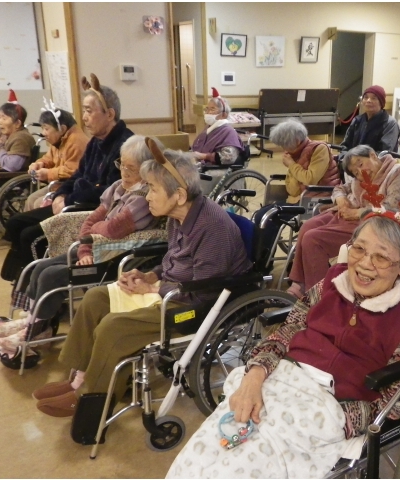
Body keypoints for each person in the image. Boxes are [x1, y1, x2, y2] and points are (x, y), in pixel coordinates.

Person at [166, 210, 400, 479]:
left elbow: (395, 402)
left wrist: (336, 419)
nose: (365, 264)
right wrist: (254, 376)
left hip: (328, 406)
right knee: (202, 454)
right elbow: (289, 330)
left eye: (381, 257)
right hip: (279, 379)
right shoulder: (333, 282)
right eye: (359, 249)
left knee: (243, 469)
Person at [32, 145, 253, 418]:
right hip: (174, 290)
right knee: (95, 298)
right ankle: (76, 378)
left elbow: (205, 291)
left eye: (153, 189)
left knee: (114, 327)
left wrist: (153, 288)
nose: (147, 196)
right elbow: (174, 260)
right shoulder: (177, 216)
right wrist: (151, 275)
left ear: (179, 195)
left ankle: (90, 399)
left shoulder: (212, 227)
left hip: (196, 307)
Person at [0, 135, 159, 364]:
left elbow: (112, 230)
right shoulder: (118, 187)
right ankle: (34, 323)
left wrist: (94, 233)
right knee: (41, 267)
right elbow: (91, 223)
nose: (123, 172)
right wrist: (85, 248)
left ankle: (35, 330)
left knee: (52, 275)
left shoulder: (142, 198)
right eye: (121, 165)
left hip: (112, 259)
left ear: (147, 169)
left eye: (131, 168)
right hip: (94, 251)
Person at [0, 74, 133, 283]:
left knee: (30, 236)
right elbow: (77, 175)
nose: (84, 117)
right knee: (16, 222)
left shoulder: (126, 145)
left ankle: (38, 288)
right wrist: (61, 194)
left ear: (109, 114)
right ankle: (22, 283)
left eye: (89, 111)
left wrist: (68, 199)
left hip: (93, 211)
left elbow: (112, 191)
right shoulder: (95, 142)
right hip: (74, 203)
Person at [287, 144, 400, 298]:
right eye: (356, 172)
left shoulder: (396, 173)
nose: (360, 173)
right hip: (345, 214)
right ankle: (300, 283)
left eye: (360, 164)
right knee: (307, 226)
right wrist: (340, 200)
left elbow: (391, 207)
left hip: (371, 223)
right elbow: (340, 188)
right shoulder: (358, 179)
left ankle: (319, 295)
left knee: (313, 239)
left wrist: (357, 213)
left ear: (372, 155)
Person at [253, 117, 340, 231]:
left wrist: (291, 164)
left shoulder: (319, 149)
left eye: (285, 145)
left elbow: (310, 179)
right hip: (296, 198)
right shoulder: (296, 152)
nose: (284, 149)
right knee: (260, 214)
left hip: (315, 199)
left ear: (297, 141)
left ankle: (266, 243)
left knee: (268, 218)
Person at [23, 103, 89, 211]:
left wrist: (48, 173)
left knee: (38, 203)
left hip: (71, 187)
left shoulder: (76, 141)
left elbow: (73, 170)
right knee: (31, 199)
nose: (43, 133)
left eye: (46, 129)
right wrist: (39, 164)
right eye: (42, 128)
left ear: (62, 129)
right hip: (58, 185)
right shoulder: (58, 140)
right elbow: (48, 158)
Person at [191, 88, 245, 166]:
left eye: (212, 109)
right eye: (207, 109)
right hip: (201, 164)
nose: (208, 112)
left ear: (224, 115)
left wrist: (204, 156)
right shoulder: (209, 128)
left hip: (215, 168)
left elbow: (228, 158)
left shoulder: (228, 132)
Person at [340, 85, 400, 154]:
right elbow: (345, 146)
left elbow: (384, 153)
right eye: (366, 97)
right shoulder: (357, 120)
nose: (368, 101)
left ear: (381, 103)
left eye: (374, 98)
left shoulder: (390, 123)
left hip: (375, 160)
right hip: (352, 159)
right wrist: (344, 156)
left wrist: (358, 159)